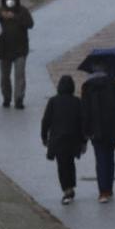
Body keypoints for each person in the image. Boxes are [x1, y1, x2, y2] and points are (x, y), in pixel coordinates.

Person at [80, 67, 115, 203]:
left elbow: (85, 111)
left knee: (100, 159)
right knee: (110, 157)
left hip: (96, 129)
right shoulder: (112, 82)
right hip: (112, 126)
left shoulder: (87, 86)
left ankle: (103, 192)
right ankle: (109, 188)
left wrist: (85, 132)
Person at [42, 75, 87, 205]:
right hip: (73, 140)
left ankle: (67, 190)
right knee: (70, 163)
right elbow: (82, 122)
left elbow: (45, 121)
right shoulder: (77, 102)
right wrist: (84, 140)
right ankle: (71, 187)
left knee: (62, 165)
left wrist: (44, 137)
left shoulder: (53, 101)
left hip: (58, 140)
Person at [0, 0, 34, 109]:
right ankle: (6, 97)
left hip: (20, 50)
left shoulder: (23, 11)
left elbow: (30, 24)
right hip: (4, 50)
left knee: (19, 75)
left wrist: (15, 17)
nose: (10, 2)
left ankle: (19, 99)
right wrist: (1, 16)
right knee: (4, 77)